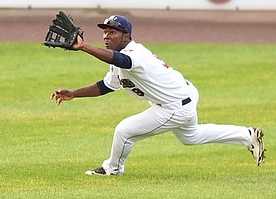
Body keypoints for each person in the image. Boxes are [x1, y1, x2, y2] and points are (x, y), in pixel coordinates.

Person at [51, 14, 266, 176]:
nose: (107, 36)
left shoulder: (135, 53)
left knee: (124, 131)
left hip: (175, 105)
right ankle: (248, 135)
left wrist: (84, 46)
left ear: (126, 36)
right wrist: (74, 94)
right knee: (192, 137)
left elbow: (120, 61)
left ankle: (112, 169)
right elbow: (106, 85)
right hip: (184, 95)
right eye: (105, 32)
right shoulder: (119, 60)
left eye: (113, 32)